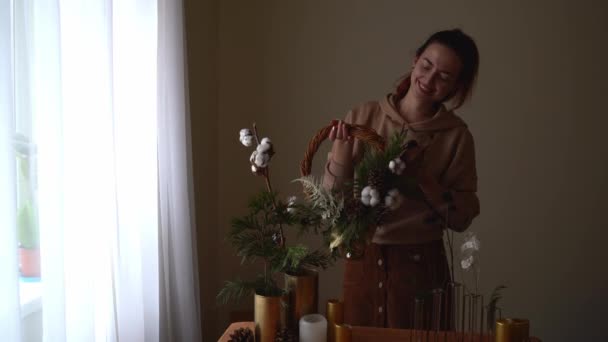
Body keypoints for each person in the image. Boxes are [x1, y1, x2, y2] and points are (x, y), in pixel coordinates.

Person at [323, 29, 480, 329]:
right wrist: (341, 154)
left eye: (444, 76)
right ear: (415, 61)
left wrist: (422, 178)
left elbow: (462, 216)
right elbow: (331, 205)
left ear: (456, 86)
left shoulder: (456, 136)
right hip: (363, 260)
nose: (430, 79)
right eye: (426, 65)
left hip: (423, 267)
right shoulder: (364, 116)